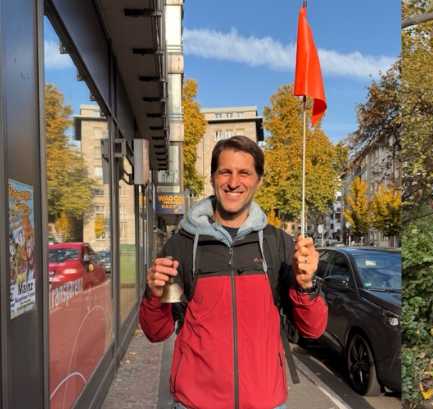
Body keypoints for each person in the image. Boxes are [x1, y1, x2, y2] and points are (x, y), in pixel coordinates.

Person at [139, 135, 328, 409]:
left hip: (265, 402)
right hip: (195, 403)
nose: (233, 182)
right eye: (225, 172)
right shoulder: (180, 246)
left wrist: (306, 285)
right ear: (213, 178)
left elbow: (313, 329)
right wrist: (154, 296)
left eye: (244, 173)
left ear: (258, 180)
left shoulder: (278, 244)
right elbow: (156, 332)